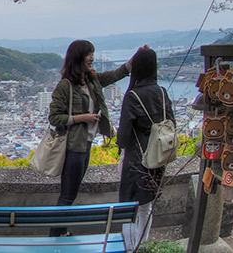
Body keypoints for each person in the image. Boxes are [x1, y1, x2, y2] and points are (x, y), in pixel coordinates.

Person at [47, 39, 132, 236]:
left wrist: (130, 63)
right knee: (68, 195)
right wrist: (82, 118)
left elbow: (113, 75)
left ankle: (61, 232)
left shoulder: (91, 80)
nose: (92, 58)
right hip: (73, 147)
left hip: (85, 145)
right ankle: (56, 235)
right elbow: (54, 117)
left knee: (71, 193)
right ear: (78, 57)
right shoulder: (65, 86)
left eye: (92, 53)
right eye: (88, 54)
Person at [117, 47, 174, 252]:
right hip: (157, 157)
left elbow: (123, 134)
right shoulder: (161, 91)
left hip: (136, 158)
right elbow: (171, 122)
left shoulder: (133, 96)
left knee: (130, 207)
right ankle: (144, 245)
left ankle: (132, 248)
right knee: (146, 206)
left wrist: (119, 146)